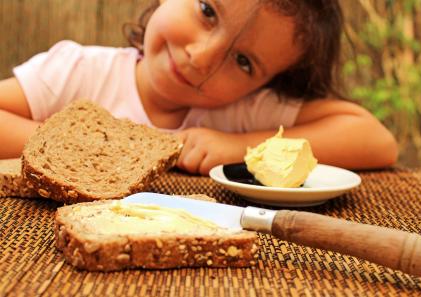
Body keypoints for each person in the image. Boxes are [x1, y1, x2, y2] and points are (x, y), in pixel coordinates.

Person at [0, 0, 398, 176]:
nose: (203, 58)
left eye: (244, 62)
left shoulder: (238, 113)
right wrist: (89, 149)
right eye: (207, 11)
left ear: (266, 83)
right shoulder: (80, 71)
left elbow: (375, 141)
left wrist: (240, 147)